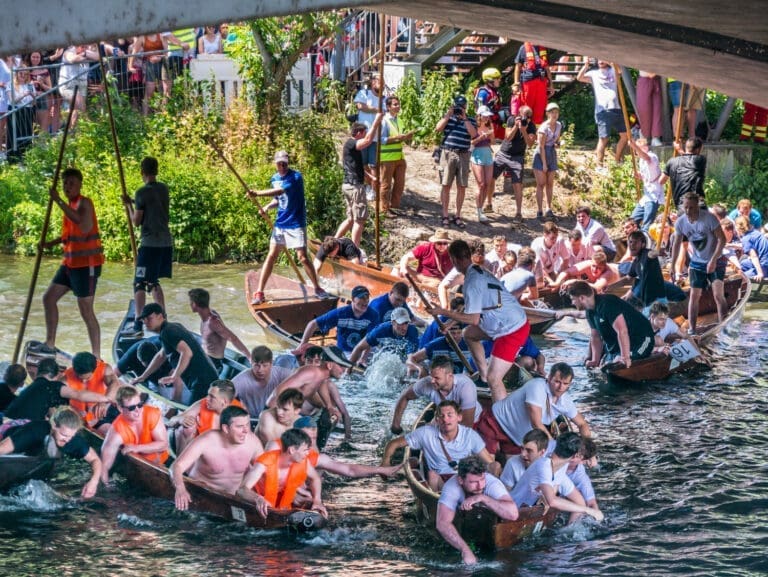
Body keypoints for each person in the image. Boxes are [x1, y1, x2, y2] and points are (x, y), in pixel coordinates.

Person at [428, 240, 530, 402]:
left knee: (494, 379)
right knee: (468, 334)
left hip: (511, 329)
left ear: (455, 260)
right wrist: (449, 324)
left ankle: (501, 417)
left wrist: (443, 312)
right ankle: (482, 376)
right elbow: (470, 308)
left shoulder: (471, 282)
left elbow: (473, 319)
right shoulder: (478, 270)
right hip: (506, 320)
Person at [39, 168, 104, 357]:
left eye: (72, 183)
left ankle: (97, 356)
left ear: (80, 185)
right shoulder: (71, 204)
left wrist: (57, 200)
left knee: (86, 310)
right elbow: (69, 235)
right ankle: (50, 343)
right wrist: (49, 243)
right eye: (65, 183)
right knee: (48, 299)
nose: (68, 187)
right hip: (70, 264)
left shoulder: (85, 203)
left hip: (87, 265)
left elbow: (82, 224)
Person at [249, 151, 326, 305]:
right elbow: (278, 199)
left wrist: (257, 193)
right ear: (275, 163)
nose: (282, 166)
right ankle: (259, 292)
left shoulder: (296, 177)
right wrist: (266, 207)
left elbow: (281, 191)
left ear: (288, 162)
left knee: (302, 257)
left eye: (285, 163)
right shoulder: (274, 178)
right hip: (280, 224)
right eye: (279, 163)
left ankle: (317, 288)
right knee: (271, 256)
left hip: (296, 223)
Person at [381, 400, 499, 491]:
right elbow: (394, 443)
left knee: (495, 466)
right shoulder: (426, 433)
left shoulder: (469, 435)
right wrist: (385, 462)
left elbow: (488, 462)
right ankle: (438, 502)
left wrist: (492, 469)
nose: (445, 419)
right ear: (437, 420)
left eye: (449, 415)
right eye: (441, 416)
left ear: (459, 417)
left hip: (465, 478)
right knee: (432, 475)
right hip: (440, 480)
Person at [476, 362, 591, 455]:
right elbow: (536, 423)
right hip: (495, 423)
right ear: (549, 378)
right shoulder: (537, 386)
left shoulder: (566, 401)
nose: (561, 387)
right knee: (490, 466)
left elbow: (582, 425)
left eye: (565, 384)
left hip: (517, 438)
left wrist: (586, 450)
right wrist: (556, 450)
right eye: (557, 382)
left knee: (516, 476)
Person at [172, 405, 264, 510]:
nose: (246, 430)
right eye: (239, 426)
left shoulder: (253, 441)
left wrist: (258, 497)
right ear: (225, 428)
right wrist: (180, 489)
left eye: (247, 425)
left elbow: (265, 469)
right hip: (200, 495)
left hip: (233, 499)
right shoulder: (206, 440)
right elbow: (176, 466)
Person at [0, 407, 102, 498]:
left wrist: (94, 481)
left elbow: (95, 459)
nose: (67, 440)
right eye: (63, 434)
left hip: (38, 459)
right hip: (11, 432)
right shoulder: (35, 430)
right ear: (53, 426)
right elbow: (2, 448)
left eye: (71, 436)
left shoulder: (72, 440)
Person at [436, 455, 519, 565]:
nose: (480, 486)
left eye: (482, 479)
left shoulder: (492, 483)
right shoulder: (451, 487)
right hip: (463, 526)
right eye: (473, 482)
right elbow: (442, 524)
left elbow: (513, 515)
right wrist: (465, 550)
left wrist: (483, 498)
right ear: (460, 480)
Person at [122, 157, 173, 335]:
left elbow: (136, 221)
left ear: (142, 172)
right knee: (153, 282)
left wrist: (129, 206)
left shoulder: (141, 192)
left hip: (150, 244)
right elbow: (153, 204)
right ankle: (163, 318)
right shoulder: (164, 189)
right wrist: (134, 203)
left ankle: (137, 322)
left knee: (139, 283)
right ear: (156, 170)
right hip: (165, 242)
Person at [131, 303, 219, 403]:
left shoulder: (167, 332)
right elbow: (161, 355)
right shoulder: (172, 327)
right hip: (207, 376)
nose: (145, 322)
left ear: (160, 316)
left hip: (202, 380)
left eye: (149, 318)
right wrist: (143, 376)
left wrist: (174, 376)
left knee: (191, 414)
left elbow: (186, 352)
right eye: (144, 319)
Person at [510, 432, 603, 523]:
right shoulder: (544, 465)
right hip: (513, 512)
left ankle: (568, 532)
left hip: (528, 511)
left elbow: (574, 499)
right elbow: (552, 501)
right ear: (575, 456)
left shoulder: (561, 467)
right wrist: (589, 510)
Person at [268, 345, 352, 445]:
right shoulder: (311, 372)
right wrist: (290, 414)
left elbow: (323, 394)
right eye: (341, 365)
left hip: (287, 415)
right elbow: (278, 392)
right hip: (274, 413)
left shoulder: (321, 377)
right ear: (329, 365)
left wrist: (330, 408)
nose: (343, 370)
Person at [670, 192, 728, 333]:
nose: (689, 211)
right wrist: (672, 266)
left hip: (716, 259)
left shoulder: (709, 218)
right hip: (697, 261)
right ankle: (692, 329)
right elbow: (676, 245)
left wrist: (713, 260)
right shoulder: (681, 222)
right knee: (694, 295)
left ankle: (724, 326)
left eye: (691, 207)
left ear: (697, 207)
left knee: (717, 295)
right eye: (686, 207)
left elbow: (722, 239)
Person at [237, 428, 327, 518]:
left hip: (281, 501)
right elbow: (241, 490)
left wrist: (317, 500)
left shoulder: (303, 461)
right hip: (258, 502)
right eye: (305, 450)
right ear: (291, 450)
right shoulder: (264, 463)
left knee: (311, 502)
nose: (308, 453)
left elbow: (315, 478)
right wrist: (258, 499)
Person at [567, 281, 655, 368]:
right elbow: (595, 337)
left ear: (582, 298)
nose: (572, 303)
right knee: (605, 365)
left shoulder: (608, 304)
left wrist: (625, 357)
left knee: (616, 362)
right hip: (619, 345)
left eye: (573, 299)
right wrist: (595, 361)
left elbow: (622, 330)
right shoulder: (589, 311)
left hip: (643, 340)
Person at [390, 355, 479, 434]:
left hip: (474, 422)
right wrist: (395, 424)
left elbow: (467, 426)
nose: (432, 381)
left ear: (450, 376)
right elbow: (405, 396)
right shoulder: (427, 383)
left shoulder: (466, 387)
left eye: (436, 378)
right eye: (431, 376)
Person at [100, 385, 169, 484]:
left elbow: (164, 445)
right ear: (120, 408)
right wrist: (106, 487)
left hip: (160, 464)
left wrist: (136, 448)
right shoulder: (116, 431)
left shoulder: (151, 413)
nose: (138, 410)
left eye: (140, 405)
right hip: (135, 468)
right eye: (132, 407)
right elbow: (104, 466)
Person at [4, 357, 109, 422]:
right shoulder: (52, 386)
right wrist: (107, 399)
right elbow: (79, 395)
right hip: (18, 427)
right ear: (56, 376)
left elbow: (50, 410)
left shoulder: (32, 387)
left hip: (6, 421)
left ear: (37, 374)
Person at [335, 116, 384, 245]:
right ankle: (354, 250)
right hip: (354, 187)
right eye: (364, 134)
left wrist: (371, 177)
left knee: (351, 219)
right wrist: (376, 122)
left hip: (349, 186)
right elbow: (368, 141)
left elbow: (358, 167)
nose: (365, 136)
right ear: (358, 133)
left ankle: (334, 241)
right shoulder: (351, 143)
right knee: (359, 220)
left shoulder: (352, 148)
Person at [294, 285, 378, 355]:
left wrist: (363, 359)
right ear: (352, 299)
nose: (365, 301)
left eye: (367, 297)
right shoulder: (341, 313)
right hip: (345, 352)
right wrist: (302, 345)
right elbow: (312, 324)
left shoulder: (373, 315)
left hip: (365, 350)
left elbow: (371, 339)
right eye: (361, 298)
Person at [435, 95, 477, 229]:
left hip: (464, 154)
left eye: (462, 106)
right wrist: (448, 115)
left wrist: (465, 118)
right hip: (448, 153)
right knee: (446, 185)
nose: (460, 109)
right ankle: (445, 215)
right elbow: (438, 129)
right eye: (458, 106)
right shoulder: (448, 117)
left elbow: (474, 134)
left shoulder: (470, 119)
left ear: (465, 107)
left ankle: (458, 215)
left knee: (462, 186)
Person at [576, 59, 628, 170]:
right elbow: (579, 78)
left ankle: (617, 160)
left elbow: (620, 71)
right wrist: (585, 65)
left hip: (617, 108)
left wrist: (609, 61)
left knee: (625, 136)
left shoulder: (613, 70)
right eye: (598, 59)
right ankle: (599, 166)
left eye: (602, 58)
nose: (600, 60)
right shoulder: (593, 74)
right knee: (603, 138)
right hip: (602, 110)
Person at [167, 379, 244, 453]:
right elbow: (172, 421)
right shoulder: (204, 403)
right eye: (208, 395)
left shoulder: (239, 415)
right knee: (186, 428)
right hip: (193, 447)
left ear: (224, 402)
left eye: (212, 397)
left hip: (217, 454)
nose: (207, 399)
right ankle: (180, 464)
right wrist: (181, 419)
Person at [188, 288, 250, 373]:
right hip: (205, 358)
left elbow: (233, 338)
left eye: (191, 302)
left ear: (195, 304)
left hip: (213, 363)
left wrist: (249, 357)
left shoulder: (213, 322)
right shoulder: (207, 315)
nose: (190, 304)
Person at [491, 105, 536, 221]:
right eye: (525, 116)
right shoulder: (511, 119)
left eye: (529, 116)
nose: (527, 118)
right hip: (504, 153)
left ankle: (518, 212)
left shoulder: (531, 126)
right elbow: (508, 137)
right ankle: (488, 203)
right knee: (491, 177)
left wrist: (524, 131)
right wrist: (516, 127)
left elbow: (530, 144)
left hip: (518, 156)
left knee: (517, 184)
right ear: (519, 114)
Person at [62, 351, 120, 432]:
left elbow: (114, 383)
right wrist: (73, 409)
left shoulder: (105, 369)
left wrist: (103, 402)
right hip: (82, 419)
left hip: (104, 410)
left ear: (95, 369)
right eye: (79, 377)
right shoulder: (65, 378)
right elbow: (57, 402)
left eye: (88, 377)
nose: (83, 381)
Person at [232, 345, 293, 417]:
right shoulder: (241, 379)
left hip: (275, 417)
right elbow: (223, 396)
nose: (260, 370)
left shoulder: (282, 373)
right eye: (256, 365)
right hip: (251, 419)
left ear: (271, 364)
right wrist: (240, 407)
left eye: (264, 365)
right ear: (251, 363)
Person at [379, 95, 414, 216]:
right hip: (387, 158)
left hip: (399, 157)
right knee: (386, 185)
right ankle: (384, 209)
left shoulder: (400, 120)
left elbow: (400, 138)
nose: (398, 106)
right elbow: (381, 139)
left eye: (398, 104)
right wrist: (397, 138)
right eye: (395, 104)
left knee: (400, 184)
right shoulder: (384, 121)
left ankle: (394, 207)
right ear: (388, 107)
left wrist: (407, 138)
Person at [348, 307, 419, 366]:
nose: (404, 328)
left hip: (403, 357)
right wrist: (348, 370)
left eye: (406, 323)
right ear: (393, 323)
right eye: (400, 323)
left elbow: (410, 358)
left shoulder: (412, 332)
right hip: (384, 353)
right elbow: (359, 347)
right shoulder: (381, 330)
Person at [622, 231, 666, 312]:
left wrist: (657, 252)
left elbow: (652, 254)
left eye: (635, 242)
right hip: (647, 302)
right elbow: (627, 278)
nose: (632, 245)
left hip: (658, 301)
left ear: (643, 245)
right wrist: (609, 286)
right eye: (631, 242)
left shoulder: (646, 253)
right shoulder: (636, 262)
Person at [437, 239, 489, 308]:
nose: (481, 257)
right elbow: (442, 287)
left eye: (482, 254)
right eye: (478, 254)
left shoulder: (486, 263)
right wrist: (445, 307)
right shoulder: (460, 270)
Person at [627, 138, 665, 232]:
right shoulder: (641, 160)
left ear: (646, 147)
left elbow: (647, 158)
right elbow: (648, 176)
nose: (636, 151)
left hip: (653, 195)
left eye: (638, 148)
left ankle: (644, 242)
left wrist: (634, 146)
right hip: (646, 196)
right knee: (632, 221)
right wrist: (640, 176)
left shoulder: (652, 156)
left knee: (647, 224)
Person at [532, 102, 562, 219]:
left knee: (550, 183)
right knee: (541, 183)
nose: (554, 115)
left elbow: (556, 141)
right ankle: (539, 210)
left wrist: (558, 144)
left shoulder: (559, 125)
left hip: (552, 153)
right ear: (548, 114)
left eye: (556, 112)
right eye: (552, 112)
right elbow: (541, 146)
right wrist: (544, 163)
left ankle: (548, 208)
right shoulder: (543, 128)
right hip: (541, 154)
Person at [353, 74, 383, 189]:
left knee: (374, 165)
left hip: (376, 137)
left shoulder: (384, 98)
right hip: (363, 136)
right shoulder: (364, 94)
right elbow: (360, 106)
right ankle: (366, 186)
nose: (382, 85)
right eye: (380, 81)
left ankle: (373, 189)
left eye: (383, 82)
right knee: (363, 163)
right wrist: (376, 109)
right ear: (373, 82)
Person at [659, 137, 706, 208]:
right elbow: (689, 161)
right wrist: (679, 149)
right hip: (697, 205)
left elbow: (661, 181)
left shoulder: (671, 162)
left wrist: (679, 149)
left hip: (681, 206)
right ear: (698, 149)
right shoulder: (700, 160)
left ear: (686, 147)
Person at [513, 42, 553, 124]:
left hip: (542, 82)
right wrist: (516, 83)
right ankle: (524, 130)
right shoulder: (523, 48)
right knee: (526, 108)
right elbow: (518, 67)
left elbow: (547, 68)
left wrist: (551, 85)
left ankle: (535, 132)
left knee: (540, 108)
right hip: (528, 83)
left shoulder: (543, 47)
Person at [548, 250, 620, 294]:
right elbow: (566, 272)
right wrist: (557, 283)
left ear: (604, 267)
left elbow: (596, 288)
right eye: (593, 266)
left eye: (599, 268)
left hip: (622, 272)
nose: (595, 270)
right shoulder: (588, 264)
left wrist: (574, 281)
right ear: (591, 262)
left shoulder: (608, 273)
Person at [470, 106, 496, 223]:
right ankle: (479, 209)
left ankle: (481, 209)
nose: (486, 118)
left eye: (487, 116)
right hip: (477, 154)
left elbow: (493, 142)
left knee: (487, 183)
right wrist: (481, 137)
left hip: (488, 155)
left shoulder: (489, 126)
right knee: (481, 183)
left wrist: (491, 134)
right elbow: (471, 142)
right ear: (479, 116)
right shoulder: (474, 127)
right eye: (484, 116)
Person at [735, 216, 768, 282]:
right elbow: (748, 246)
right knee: (743, 263)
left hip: (764, 265)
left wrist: (760, 273)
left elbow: (754, 257)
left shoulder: (746, 238)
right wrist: (729, 245)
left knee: (739, 278)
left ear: (738, 228)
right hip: (764, 260)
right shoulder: (755, 232)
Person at [635, 71, 664, 147]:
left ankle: (655, 137)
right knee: (644, 110)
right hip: (644, 79)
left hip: (656, 80)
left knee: (657, 110)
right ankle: (644, 135)